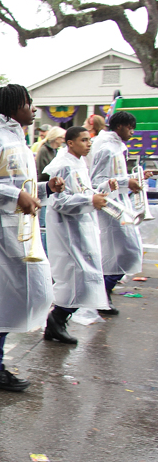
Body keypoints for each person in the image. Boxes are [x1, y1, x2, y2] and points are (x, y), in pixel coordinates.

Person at [0, 85, 63, 392]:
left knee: (22, 299)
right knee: (11, 299)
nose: (33, 108)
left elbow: (21, 185)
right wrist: (16, 196)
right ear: (13, 106)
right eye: (28, 103)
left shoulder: (18, 141)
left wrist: (46, 189)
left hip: (23, 236)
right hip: (3, 239)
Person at [41, 126, 110, 344]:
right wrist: (89, 202)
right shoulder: (62, 165)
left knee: (86, 278)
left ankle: (59, 320)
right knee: (74, 277)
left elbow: (83, 191)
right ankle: (56, 320)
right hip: (67, 230)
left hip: (82, 226)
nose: (89, 144)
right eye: (84, 140)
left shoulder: (79, 163)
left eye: (89, 140)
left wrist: (102, 190)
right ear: (70, 143)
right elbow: (59, 200)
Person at [90, 111, 148, 315]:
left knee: (126, 252)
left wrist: (132, 179)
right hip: (111, 209)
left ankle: (104, 293)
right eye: (130, 127)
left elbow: (117, 177)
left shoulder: (117, 147)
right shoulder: (107, 149)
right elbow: (97, 181)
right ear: (119, 127)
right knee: (123, 252)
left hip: (121, 204)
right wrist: (125, 182)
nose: (132, 132)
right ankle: (102, 294)